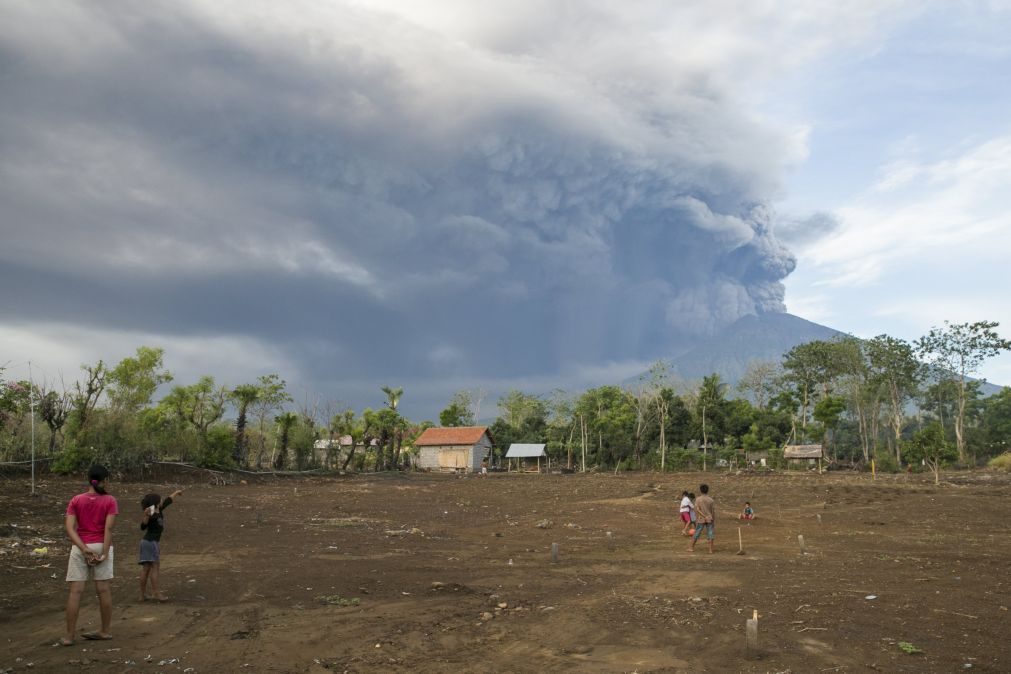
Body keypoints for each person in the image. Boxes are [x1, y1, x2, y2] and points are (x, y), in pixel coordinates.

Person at [62, 465, 118, 645]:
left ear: (89, 480)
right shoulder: (110, 501)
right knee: (103, 589)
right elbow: (108, 528)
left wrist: (83, 548)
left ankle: (69, 636)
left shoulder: (76, 500)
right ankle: (105, 630)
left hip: (80, 547)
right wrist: (104, 553)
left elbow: (70, 528)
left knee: (75, 592)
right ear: (104, 481)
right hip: (101, 545)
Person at [138, 489, 183, 601]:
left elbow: (168, 500)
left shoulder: (158, 509)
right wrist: (146, 516)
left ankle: (142, 595)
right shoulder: (151, 512)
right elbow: (143, 526)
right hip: (150, 543)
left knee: (146, 569)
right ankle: (156, 593)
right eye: (160, 499)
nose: (162, 500)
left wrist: (176, 493)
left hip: (147, 542)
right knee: (155, 568)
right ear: (156, 503)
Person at [689, 484, 715, 554]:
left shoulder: (698, 499)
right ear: (707, 490)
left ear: (700, 490)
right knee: (710, 534)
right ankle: (710, 550)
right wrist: (712, 519)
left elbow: (697, 509)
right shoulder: (711, 500)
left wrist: (703, 516)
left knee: (697, 532)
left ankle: (691, 548)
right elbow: (712, 511)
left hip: (701, 519)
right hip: (710, 518)